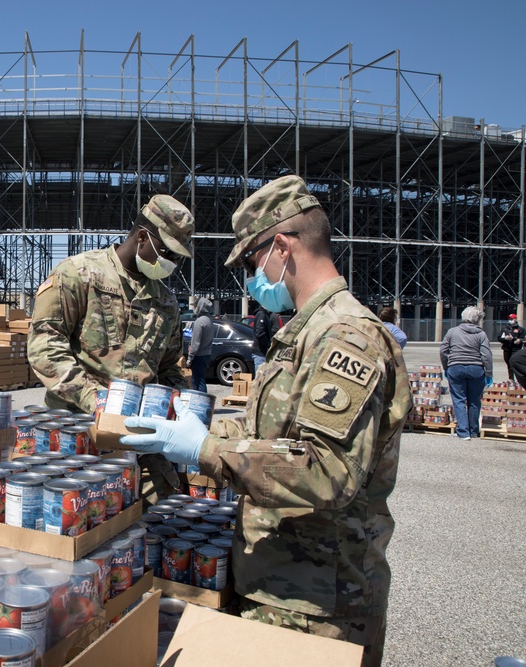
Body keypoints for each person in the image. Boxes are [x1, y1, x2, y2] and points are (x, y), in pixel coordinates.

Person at [121, 175, 412, 667]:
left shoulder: (345, 336)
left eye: (253, 260)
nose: (253, 276)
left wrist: (204, 450)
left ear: (281, 246)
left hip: (318, 601)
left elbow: (327, 471)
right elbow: (271, 432)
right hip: (284, 584)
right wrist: (181, 426)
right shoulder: (303, 332)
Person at [27, 194, 194, 502]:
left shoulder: (166, 301)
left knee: (151, 518)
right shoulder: (79, 273)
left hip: (139, 438)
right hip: (78, 431)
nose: (174, 263)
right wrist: (96, 399)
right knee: (76, 516)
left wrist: (181, 403)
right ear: (143, 237)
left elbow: (169, 365)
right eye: (168, 253)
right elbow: (44, 347)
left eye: (179, 257)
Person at [440, 306, 492, 440]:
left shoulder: (452, 332)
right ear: (477, 319)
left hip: (455, 367)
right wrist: (489, 373)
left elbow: (443, 351)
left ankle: (463, 432)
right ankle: (474, 431)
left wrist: (446, 367)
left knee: (459, 400)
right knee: (474, 400)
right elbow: (486, 355)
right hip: (476, 369)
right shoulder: (481, 334)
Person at [186, 297, 214, 391]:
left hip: (199, 355)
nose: (195, 308)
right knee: (201, 379)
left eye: (196, 306)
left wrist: (190, 357)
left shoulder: (199, 322)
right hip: (207, 354)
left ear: (200, 306)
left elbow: (195, 342)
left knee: (198, 382)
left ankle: (201, 402)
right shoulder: (209, 320)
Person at [251, 306, 281, 373]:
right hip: (260, 351)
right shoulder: (262, 314)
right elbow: (259, 333)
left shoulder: (264, 314)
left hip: (261, 352)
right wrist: (268, 345)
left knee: (262, 376)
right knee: (260, 377)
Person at [498, 312, 524, 383]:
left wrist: (519, 340)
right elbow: (499, 338)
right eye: (509, 319)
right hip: (507, 349)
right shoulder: (505, 329)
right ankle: (511, 378)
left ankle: (519, 378)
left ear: (515, 319)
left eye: (512, 319)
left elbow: (523, 338)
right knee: (509, 363)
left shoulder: (521, 329)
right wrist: (505, 339)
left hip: (516, 349)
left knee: (514, 363)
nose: (510, 320)